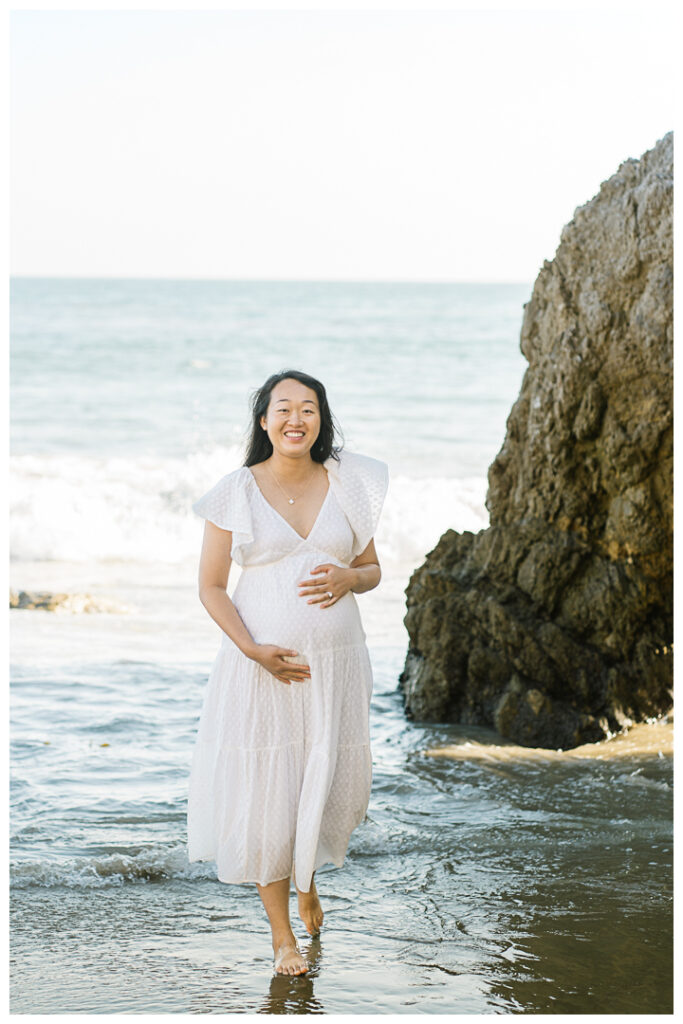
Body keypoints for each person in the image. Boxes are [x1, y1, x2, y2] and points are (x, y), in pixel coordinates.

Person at [187, 369, 389, 976]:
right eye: (283, 408)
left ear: (321, 420)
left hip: (338, 666)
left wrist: (351, 578)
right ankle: (283, 939)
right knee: (267, 793)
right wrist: (252, 649)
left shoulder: (348, 483)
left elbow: (373, 568)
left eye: (308, 408)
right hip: (262, 669)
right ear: (264, 421)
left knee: (325, 784)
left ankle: (307, 880)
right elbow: (211, 586)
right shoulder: (236, 491)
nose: (295, 418)